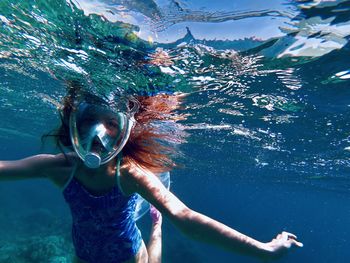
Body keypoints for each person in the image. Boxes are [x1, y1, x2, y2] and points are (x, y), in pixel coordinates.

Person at [0, 83, 302, 263]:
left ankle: (156, 230)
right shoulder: (57, 167)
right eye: (90, 119)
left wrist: (264, 250)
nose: (98, 132)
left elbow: (186, 219)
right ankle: (154, 226)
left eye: (111, 123)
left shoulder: (130, 174)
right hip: (84, 256)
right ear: (75, 124)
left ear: (126, 133)